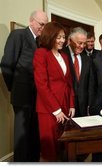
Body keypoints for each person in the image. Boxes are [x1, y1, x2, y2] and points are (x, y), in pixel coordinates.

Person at [0, 9, 48, 162]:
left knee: (34, 134)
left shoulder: (41, 42)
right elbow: (7, 64)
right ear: (31, 21)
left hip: (37, 98)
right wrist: (13, 87)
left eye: (45, 25)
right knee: (22, 137)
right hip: (22, 96)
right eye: (41, 24)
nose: (43, 27)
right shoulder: (18, 35)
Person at [33, 21, 75, 161]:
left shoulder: (63, 56)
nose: (62, 40)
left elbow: (69, 83)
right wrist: (56, 110)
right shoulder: (41, 53)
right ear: (50, 36)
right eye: (58, 37)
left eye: (63, 37)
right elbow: (41, 85)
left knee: (62, 145)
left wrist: (71, 104)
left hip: (64, 105)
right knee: (50, 148)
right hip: (48, 109)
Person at [62, 27, 95, 117]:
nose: (82, 46)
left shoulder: (87, 59)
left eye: (84, 43)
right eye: (79, 43)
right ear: (70, 40)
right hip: (65, 104)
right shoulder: (61, 55)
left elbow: (90, 84)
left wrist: (89, 105)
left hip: (83, 107)